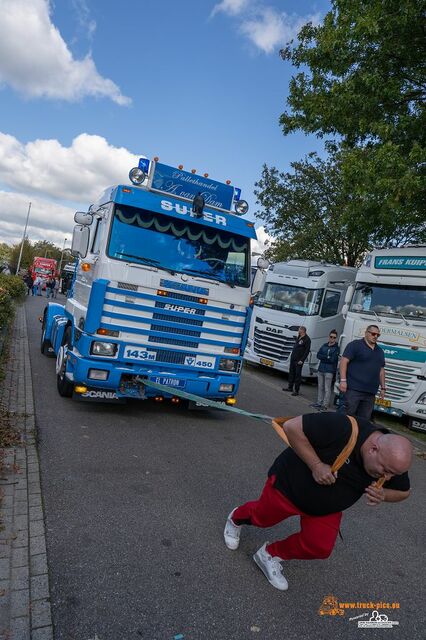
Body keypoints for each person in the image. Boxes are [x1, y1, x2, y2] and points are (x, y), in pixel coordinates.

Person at [223, 412, 412, 591]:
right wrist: (316, 465)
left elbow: (404, 492)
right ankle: (235, 519)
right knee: (261, 518)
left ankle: (269, 555)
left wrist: (384, 495)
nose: (387, 477)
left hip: (325, 509)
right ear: (373, 449)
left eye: (393, 474)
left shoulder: (391, 462)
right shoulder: (343, 427)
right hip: (289, 487)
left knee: (319, 546)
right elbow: (291, 427)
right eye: (385, 471)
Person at [339, 325, 385, 419]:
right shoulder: (355, 345)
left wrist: (383, 388)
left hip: (370, 393)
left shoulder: (380, 351)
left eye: (378, 335)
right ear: (366, 333)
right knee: (347, 418)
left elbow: (381, 370)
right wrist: (343, 380)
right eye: (373, 334)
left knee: (363, 421)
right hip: (353, 390)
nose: (375, 336)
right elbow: (344, 361)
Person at [311, 330, 339, 411]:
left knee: (327, 388)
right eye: (331, 337)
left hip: (329, 371)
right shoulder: (324, 345)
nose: (332, 339)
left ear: (336, 338)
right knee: (320, 387)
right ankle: (319, 403)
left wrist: (325, 357)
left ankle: (325, 405)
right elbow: (318, 355)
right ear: (329, 337)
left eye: (334, 337)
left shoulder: (336, 348)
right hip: (321, 369)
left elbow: (333, 359)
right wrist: (327, 357)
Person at [283, 326, 311, 396]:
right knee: (291, 373)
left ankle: (296, 390)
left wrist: (302, 360)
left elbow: (307, 351)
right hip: (293, 358)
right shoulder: (299, 337)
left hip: (299, 360)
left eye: (299, 330)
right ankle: (290, 387)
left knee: (297, 375)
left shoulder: (307, 339)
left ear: (302, 330)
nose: (298, 331)